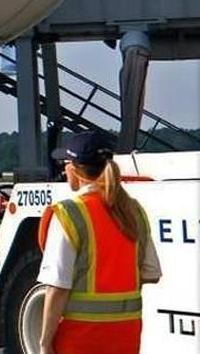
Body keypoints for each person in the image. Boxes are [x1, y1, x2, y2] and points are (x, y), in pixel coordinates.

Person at [37, 130, 161, 354]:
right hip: (126, 337)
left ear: (73, 170)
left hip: (81, 338)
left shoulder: (69, 213)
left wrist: (45, 342)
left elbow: (57, 287)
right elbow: (151, 273)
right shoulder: (133, 211)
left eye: (65, 163)